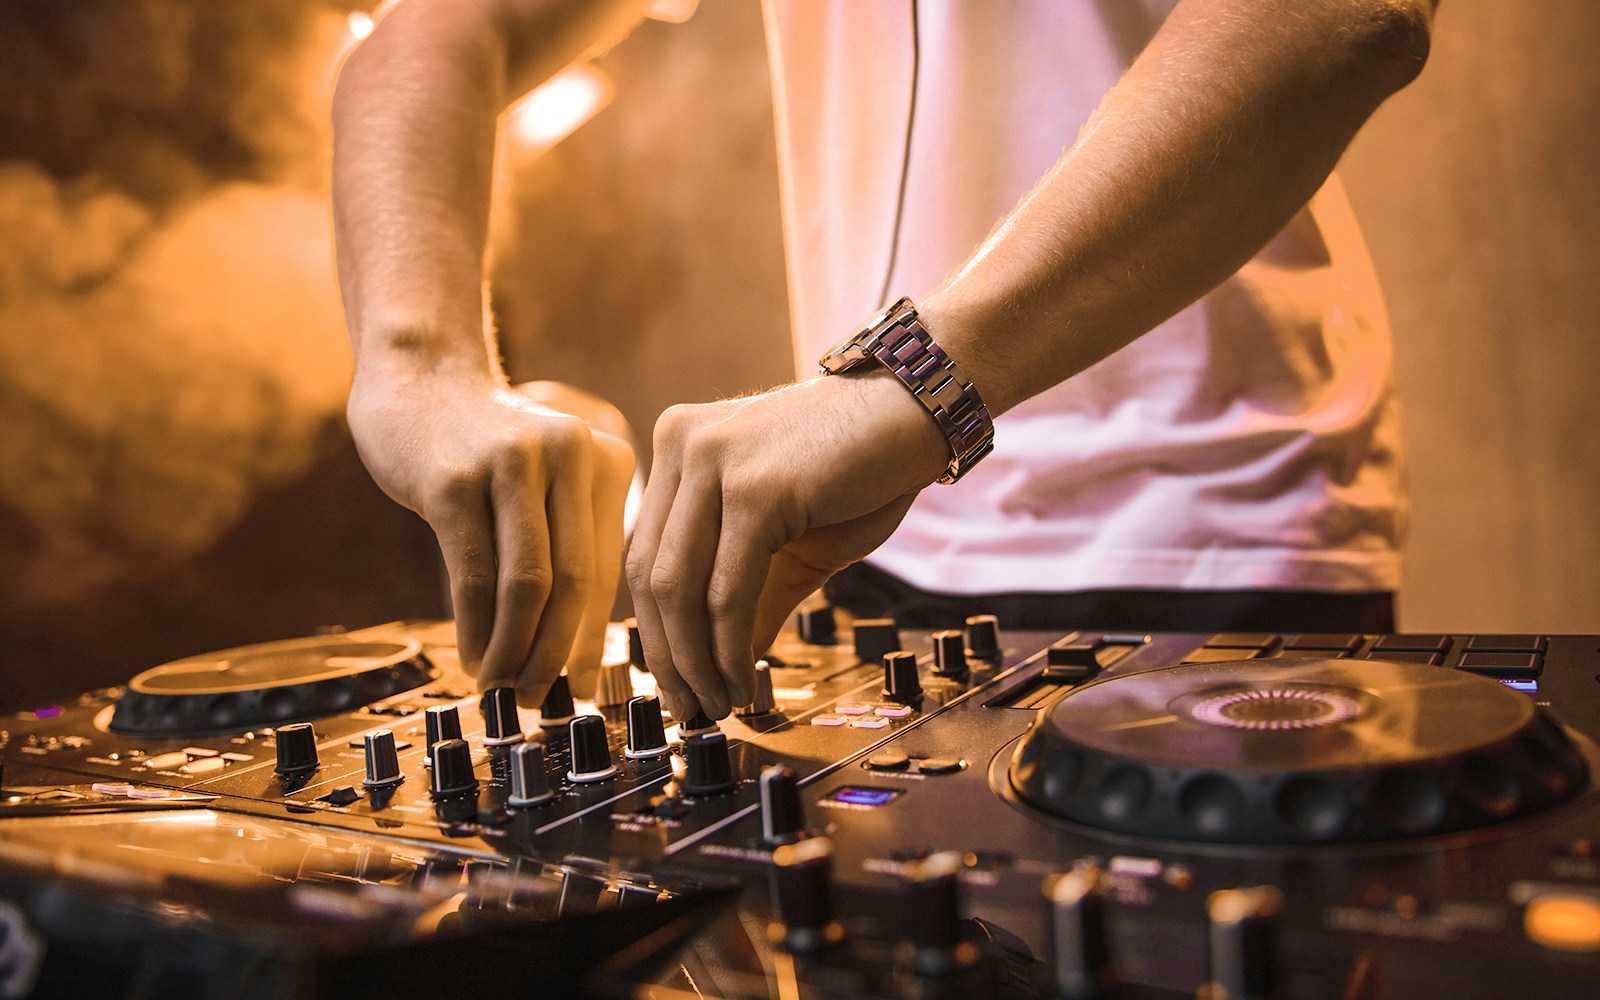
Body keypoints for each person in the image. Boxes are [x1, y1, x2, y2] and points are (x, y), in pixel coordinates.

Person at [331, 0, 1437, 723]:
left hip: (1199, 526)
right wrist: (417, 361)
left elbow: (1342, 16)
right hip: (858, 531)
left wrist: (920, 378)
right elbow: (442, 30)